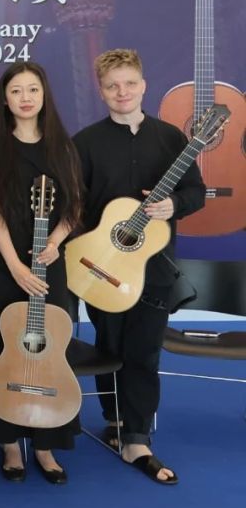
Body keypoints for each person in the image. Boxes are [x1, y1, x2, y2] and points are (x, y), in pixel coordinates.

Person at [72, 48, 204, 485]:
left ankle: (138, 438)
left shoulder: (171, 139)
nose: (122, 92)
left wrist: (174, 204)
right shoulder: (85, 143)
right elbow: (74, 206)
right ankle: (115, 421)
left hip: (155, 269)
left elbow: (196, 192)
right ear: (101, 91)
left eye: (129, 83)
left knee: (144, 352)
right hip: (102, 266)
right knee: (109, 346)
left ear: (144, 86)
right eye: (112, 86)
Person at [0, 62, 83, 484]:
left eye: (33, 89)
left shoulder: (64, 147)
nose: (25, 97)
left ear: (44, 95)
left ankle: (45, 444)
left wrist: (55, 243)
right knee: (1, 348)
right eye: (16, 90)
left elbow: (75, 205)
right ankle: (7, 442)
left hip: (49, 263)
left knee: (49, 348)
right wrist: (16, 266)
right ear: (5, 99)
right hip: (4, 266)